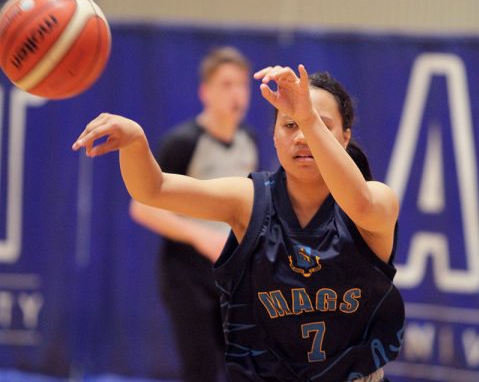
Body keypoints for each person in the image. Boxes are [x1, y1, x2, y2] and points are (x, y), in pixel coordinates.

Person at [73, 64, 405, 382]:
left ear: (345, 137)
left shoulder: (378, 200)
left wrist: (304, 115)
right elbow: (154, 189)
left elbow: (359, 203)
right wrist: (134, 143)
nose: (302, 136)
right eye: (289, 126)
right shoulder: (249, 199)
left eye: (318, 123)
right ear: (274, 137)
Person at [128, 47, 258, 382]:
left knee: (244, 367)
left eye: (242, 85)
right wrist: (201, 236)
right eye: (226, 85)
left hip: (232, 272)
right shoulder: (183, 142)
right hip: (187, 272)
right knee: (199, 369)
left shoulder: (251, 142)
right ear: (205, 92)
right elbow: (141, 207)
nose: (237, 94)